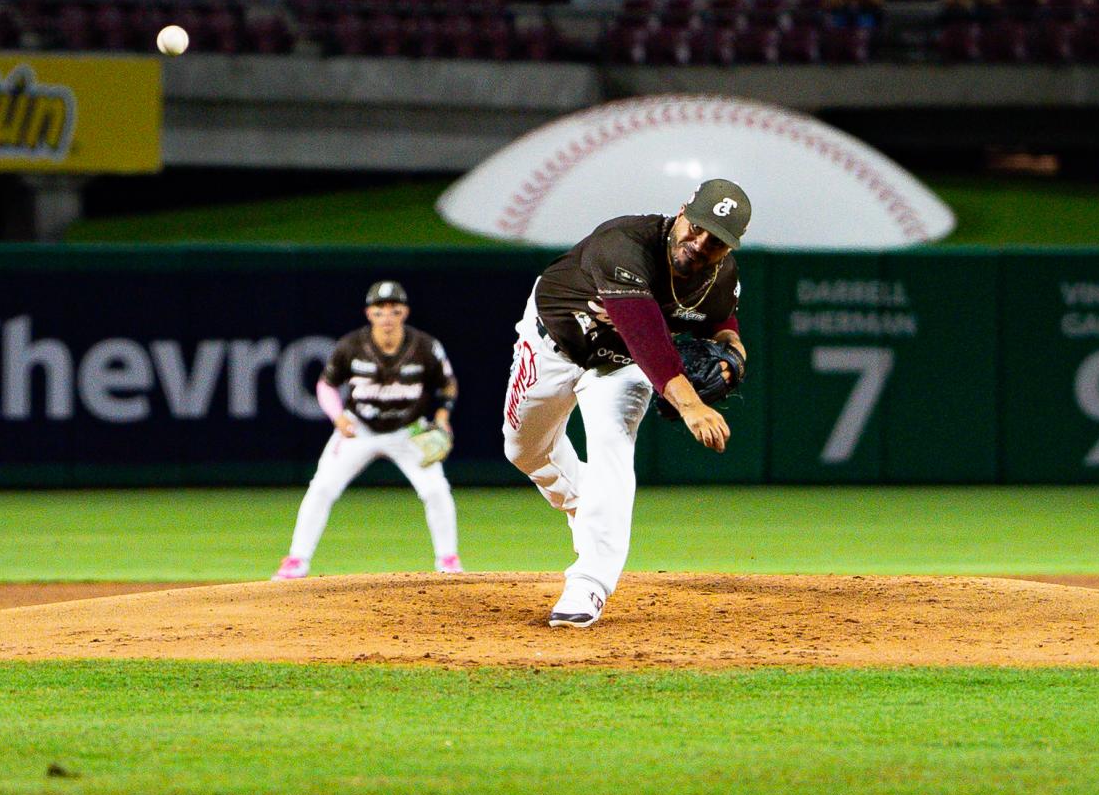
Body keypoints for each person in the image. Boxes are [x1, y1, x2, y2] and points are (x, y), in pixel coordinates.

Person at [502, 178, 750, 628]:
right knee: (521, 450)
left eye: (715, 243)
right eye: (695, 228)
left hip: (621, 369)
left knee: (613, 445)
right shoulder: (623, 244)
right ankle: (583, 501)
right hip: (552, 344)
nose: (699, 243)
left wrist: (734, 355)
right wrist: (691, 405)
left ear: (729, 249)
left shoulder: (720, 276)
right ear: (682, 213)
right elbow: (646, 337)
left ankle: (590, 584)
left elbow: (721, 322)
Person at [273, 280, 462, 580]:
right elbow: (325, 384)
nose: (387, 317)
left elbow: (447, 384)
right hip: (359, 428)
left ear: (405, 312)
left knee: (436, 490)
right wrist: (337, 416)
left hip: (408, 430)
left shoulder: (425, 346)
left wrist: (442, 415)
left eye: (393, 310)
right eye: (380, 310)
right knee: (322, 487)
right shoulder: (352, 345)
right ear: (369, 313)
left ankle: (448, 561)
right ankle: (297, 560)